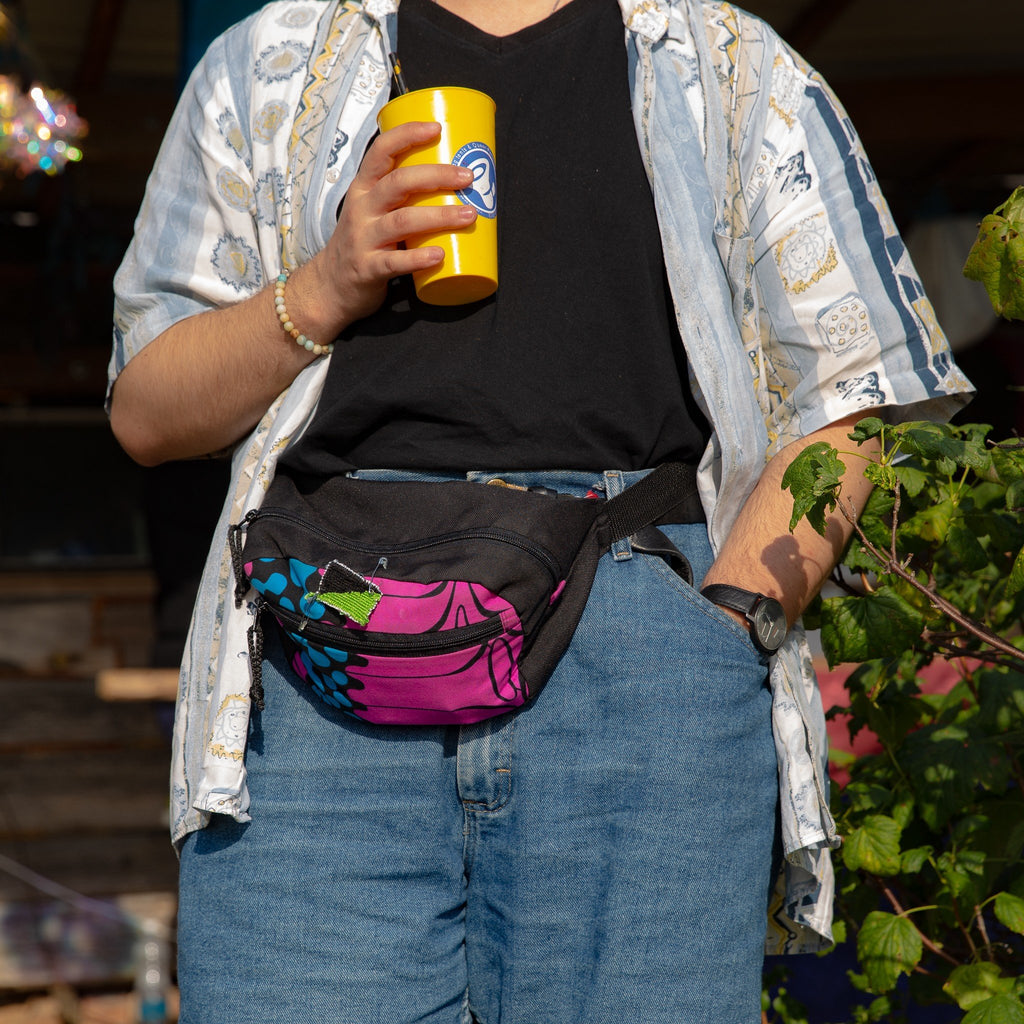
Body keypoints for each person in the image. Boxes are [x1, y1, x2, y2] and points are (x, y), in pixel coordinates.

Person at [107, 1, 973, 1021]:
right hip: (326, 658)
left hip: (647, 649)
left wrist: (732, 623)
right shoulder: (269, 61)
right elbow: (148, 411)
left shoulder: (728, 62)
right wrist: (327, 284)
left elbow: (853, 391)